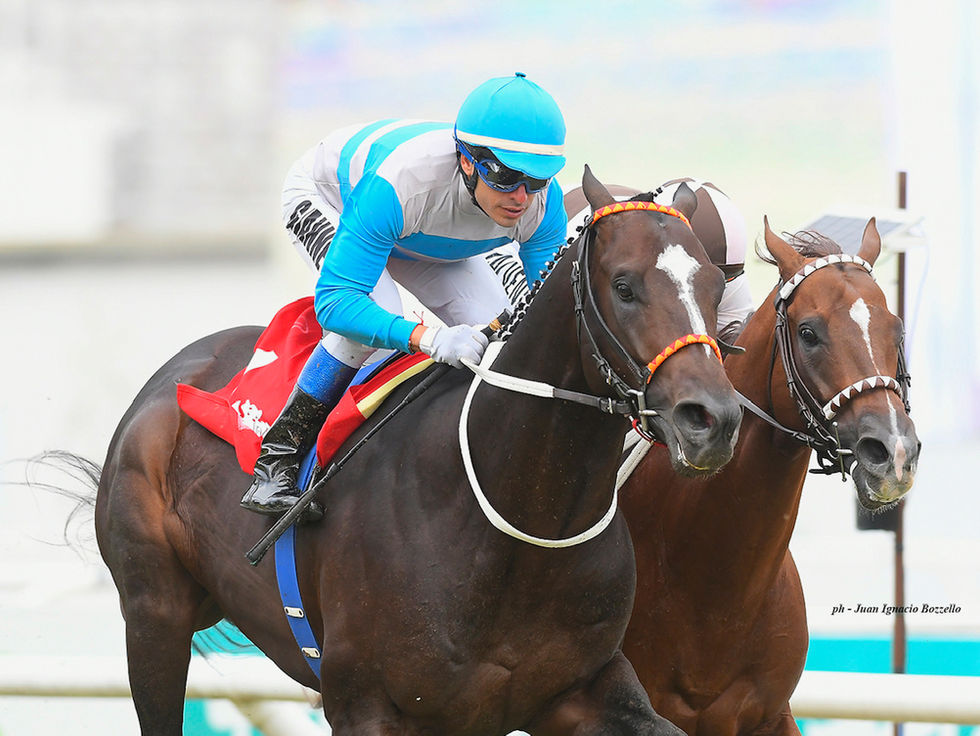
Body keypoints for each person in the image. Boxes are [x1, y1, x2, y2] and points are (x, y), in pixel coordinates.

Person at [240, 73, 569, 517]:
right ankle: (277, 459)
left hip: (426, 234)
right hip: (337, 200)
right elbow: (337, 303)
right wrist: (429, 339)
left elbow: (550, 309)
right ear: (468, 162)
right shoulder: (403, 181)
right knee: (370, 322)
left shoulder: (541, 207)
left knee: (502, 335)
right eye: (507, 176)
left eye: (538, 180)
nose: (522, 198)